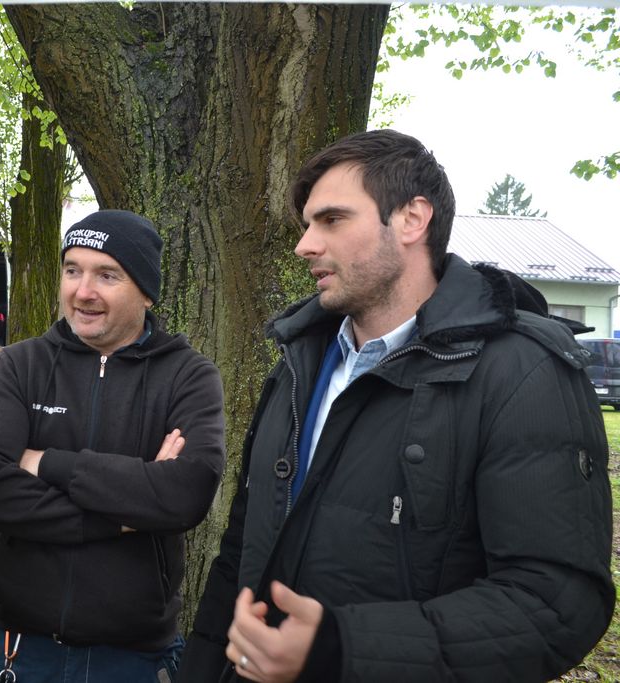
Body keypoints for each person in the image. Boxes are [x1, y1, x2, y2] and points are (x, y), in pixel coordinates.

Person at [178, 129, 614, 683]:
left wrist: (343, 649)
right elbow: (242, 552)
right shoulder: (296, 365)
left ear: (412, 219)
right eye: (307, 225)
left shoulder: (523, 373)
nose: (305, 245)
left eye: (331, 220)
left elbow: (554, 605)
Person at [0, 209, 226, 682]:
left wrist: (47, 463)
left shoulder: (187, 376)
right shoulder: (20, 366)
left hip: (135, 658)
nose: (83, 292)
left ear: (146, 291)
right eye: (72, 271)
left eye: (107, 275)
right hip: (21, 651)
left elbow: (185, 494)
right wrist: (124, 516)